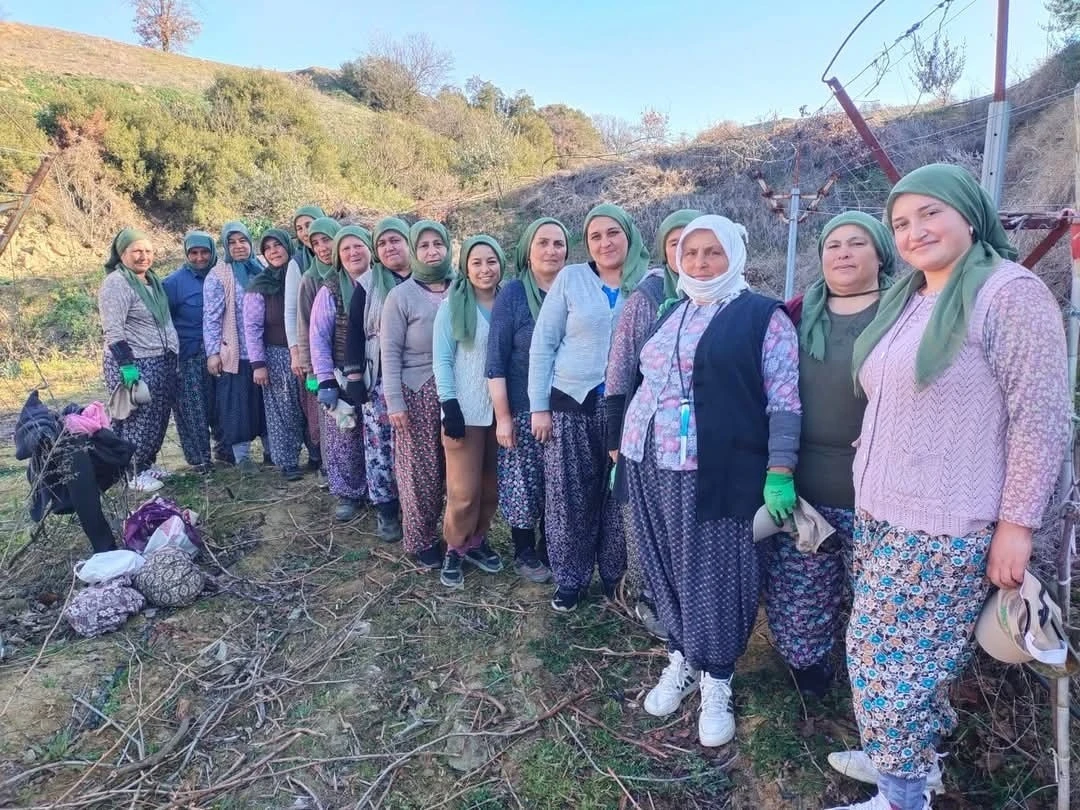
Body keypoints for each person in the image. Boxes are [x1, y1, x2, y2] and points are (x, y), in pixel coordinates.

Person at [826, 164, 1070, 810]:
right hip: (882, 510)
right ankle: (905, 761)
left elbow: (1040, 417)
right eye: (901, 222)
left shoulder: (1007, 293)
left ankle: (902, 794)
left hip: (943, 522)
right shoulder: (909, 297)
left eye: (930, 213)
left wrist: (1017, 525)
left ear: (969, 213)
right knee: (903, 663)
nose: (915, 231)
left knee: (888, 667)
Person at [621, 214, 801, 748]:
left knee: (717, 572)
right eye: (690, 253)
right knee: (664, 562)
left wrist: (780, 469)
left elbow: (784, 399)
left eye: (712, 252)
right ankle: (682, 655)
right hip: (648, 459)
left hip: (714, 468)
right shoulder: (672, 311)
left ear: (734, 255)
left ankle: (717, 676)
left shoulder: (761, 316)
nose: (700, 262)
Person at [759, 211, 896, 700]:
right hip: (803, 486)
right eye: (833, 245)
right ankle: (808, 669)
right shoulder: (795, 314)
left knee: (878, 598)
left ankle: (875, 682)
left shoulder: (907, 312)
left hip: (880, 492)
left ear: (881, 254)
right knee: (801, 589)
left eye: (856, 243)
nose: (843, 253)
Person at [528, 203, 648, 612]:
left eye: (613, 233)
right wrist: (539, 406)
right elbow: (543, 343)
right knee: (568, 495)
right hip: (570, 403)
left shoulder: (649, 283)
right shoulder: (571, 278)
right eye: (595, 236)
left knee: (619, 496)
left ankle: (614, 577)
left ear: (628, 235)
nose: (604, 242)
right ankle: (570, 578)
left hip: (627, 408)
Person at [605, 208, 701, 637]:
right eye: (676, 244)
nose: (687, 255)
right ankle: (649, 599)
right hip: (645, 435)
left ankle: (687, 601)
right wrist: (614, 436)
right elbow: (619, 370)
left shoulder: (726, 299)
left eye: (695, 244)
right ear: (664, 250)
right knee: (644, 520)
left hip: (700, 441)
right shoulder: (647, 298)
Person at [486, 217, 569, 584]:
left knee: (558, 482)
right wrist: (503, 417)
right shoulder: (514, 294)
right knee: (523, 482)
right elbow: (495, 359)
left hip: (566, 408)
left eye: (558, 243)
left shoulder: (574, 288)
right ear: (527, 251)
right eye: (542, 243)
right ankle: (524, 550)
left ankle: (552, 547)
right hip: (521, 408)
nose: (551, 250)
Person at [433, 235, 506, 588]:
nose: (484, 269)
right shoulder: (452, 306)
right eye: (476, 262)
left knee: (490, 487)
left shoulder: (509, 301)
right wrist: (449, 405)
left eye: (491, 261)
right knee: (463, 491)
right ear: (465, 267)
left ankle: (477, 540)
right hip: (465, 411)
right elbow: (442, 359)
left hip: (502, 413)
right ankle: (454, 547)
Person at [381, 220, 453, 568]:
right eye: (423, 245)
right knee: (420, 471)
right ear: (413, 251)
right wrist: (395, 401)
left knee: (455, 470)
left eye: (437, 243)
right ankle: (421, 538)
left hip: (457, 390)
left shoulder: (462, 286)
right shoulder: (401, 296)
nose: (431, 251)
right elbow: (390, 352)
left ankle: (459, 535)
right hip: (417, 391)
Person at [343, 217, 411, 542]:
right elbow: (354, 332)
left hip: (421, 377)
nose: (389, 247)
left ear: (409, 242)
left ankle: (417, 506)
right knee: (381, 446)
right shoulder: (368, 284)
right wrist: (354, 375)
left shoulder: (427, 278)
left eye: (395, 240)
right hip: (380, 377)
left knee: (415, 446)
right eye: (381, 243)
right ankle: (386, 510)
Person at [98, 227, 179, 492]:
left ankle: (145, 463)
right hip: (136, 361)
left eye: (148, 251)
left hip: (161, 360)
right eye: (136, 251)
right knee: (136, 418)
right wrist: (127, 368)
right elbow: (113, 329)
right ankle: (131, 472)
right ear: (122, 254)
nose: (143, 256)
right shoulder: (117, 283)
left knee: (157, 417)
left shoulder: (151, 282)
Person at [309, 225, 372, 520]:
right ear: (338, 256)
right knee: (345, 435)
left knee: (376, 436)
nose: (352, 253)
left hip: (379, 372)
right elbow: (318, 337)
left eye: (358, 246)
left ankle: (379, 491)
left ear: (370, 249)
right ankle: (348, 493)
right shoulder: (330, 290)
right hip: (341, 373)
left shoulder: (384, 283)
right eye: (345, 249)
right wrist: (325, 380)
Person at [204, 222, 267, 472]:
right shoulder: (219, 274)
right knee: (237, 406)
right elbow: (212, 316)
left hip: (266, 350)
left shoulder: (262, 266)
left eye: (243, 240)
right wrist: (213, 353)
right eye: (232, 242)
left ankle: (272, 452)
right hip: (236, 352)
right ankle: (243, 458)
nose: (238, 246)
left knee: (267, 405)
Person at [244, 229, 305, 482]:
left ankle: (316, 455)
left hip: (306, 351)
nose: (273, 251)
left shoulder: (302, 274)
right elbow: (252, 327)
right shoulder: (260, 285)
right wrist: (258, 364)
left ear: (288, 247)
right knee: (282, 410)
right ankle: (288, 462)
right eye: (267, 248)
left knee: (308, 405)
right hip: (276, 355)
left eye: (277, 245)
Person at [164, 230, 220, 473]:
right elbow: (164, 321)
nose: (199, 258)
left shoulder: (222, 274)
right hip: (189, 355)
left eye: (204, 252)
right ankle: (200, 459)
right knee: (192, 408)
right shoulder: (174, 283)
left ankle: (225, 450)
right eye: (193, 253)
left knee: (220, 405)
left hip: (220, 353)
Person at [295, 216, 341, 487]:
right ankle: (330, 470)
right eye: (316, 243)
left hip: (353, 361)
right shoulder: (311, 278)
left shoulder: (353, 269)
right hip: (324, 362)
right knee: (328, 421)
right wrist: (311, 369)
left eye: (327, 240)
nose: (322, 248)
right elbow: (304, 324)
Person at [285, 204, 327, 472]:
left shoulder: (343, 255)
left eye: (309, 225)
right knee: (317, 406)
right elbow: (293, 311)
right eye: (299, 228)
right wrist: (297, 352)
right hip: (312, 346)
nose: (304, 233)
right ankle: (322, 458)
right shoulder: (298, 263)